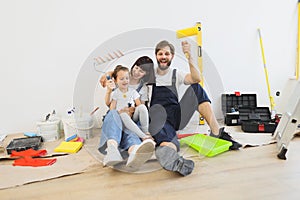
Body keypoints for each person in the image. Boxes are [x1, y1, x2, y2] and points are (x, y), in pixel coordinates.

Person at [149, 40, 242, 176]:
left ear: (172, 56)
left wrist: (189, 56)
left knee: (195, 88)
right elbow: (129, 76)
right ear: (156, 56)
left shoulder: (176, 74)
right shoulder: (149, 75)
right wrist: (110, 74)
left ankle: (216, 132)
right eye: (160, 54)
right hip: (159, 118)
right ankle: (171, 156)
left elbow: (196, 78)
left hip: (176, 115)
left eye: (167, 54)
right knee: (167, 138)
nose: (163, 57)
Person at [98, 56, 156, 170]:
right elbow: (111, 106)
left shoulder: (141, 89)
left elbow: (141, 107)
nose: (137, 72)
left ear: (146, 74)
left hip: (131, 118)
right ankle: (112, 149)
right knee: (115, 115)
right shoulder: (122, 76)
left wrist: (131, 110)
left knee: (131, 130)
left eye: (141, 71)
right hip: (116, 116)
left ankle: (134, 151)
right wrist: (108, 78)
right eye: (136, 68)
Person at [109, 65, 152, 140]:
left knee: (142, 107)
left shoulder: (133, 91)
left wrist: (131, 109)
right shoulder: (116, 93)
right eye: (122, 79)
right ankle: (143, 136)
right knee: (123, 115)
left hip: (132, 116)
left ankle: (146, 132)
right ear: (116, 81)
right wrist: (119, 112)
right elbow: (112, 109)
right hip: (121, 118)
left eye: (127, 78)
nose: (125, 81)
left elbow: (139, 105)